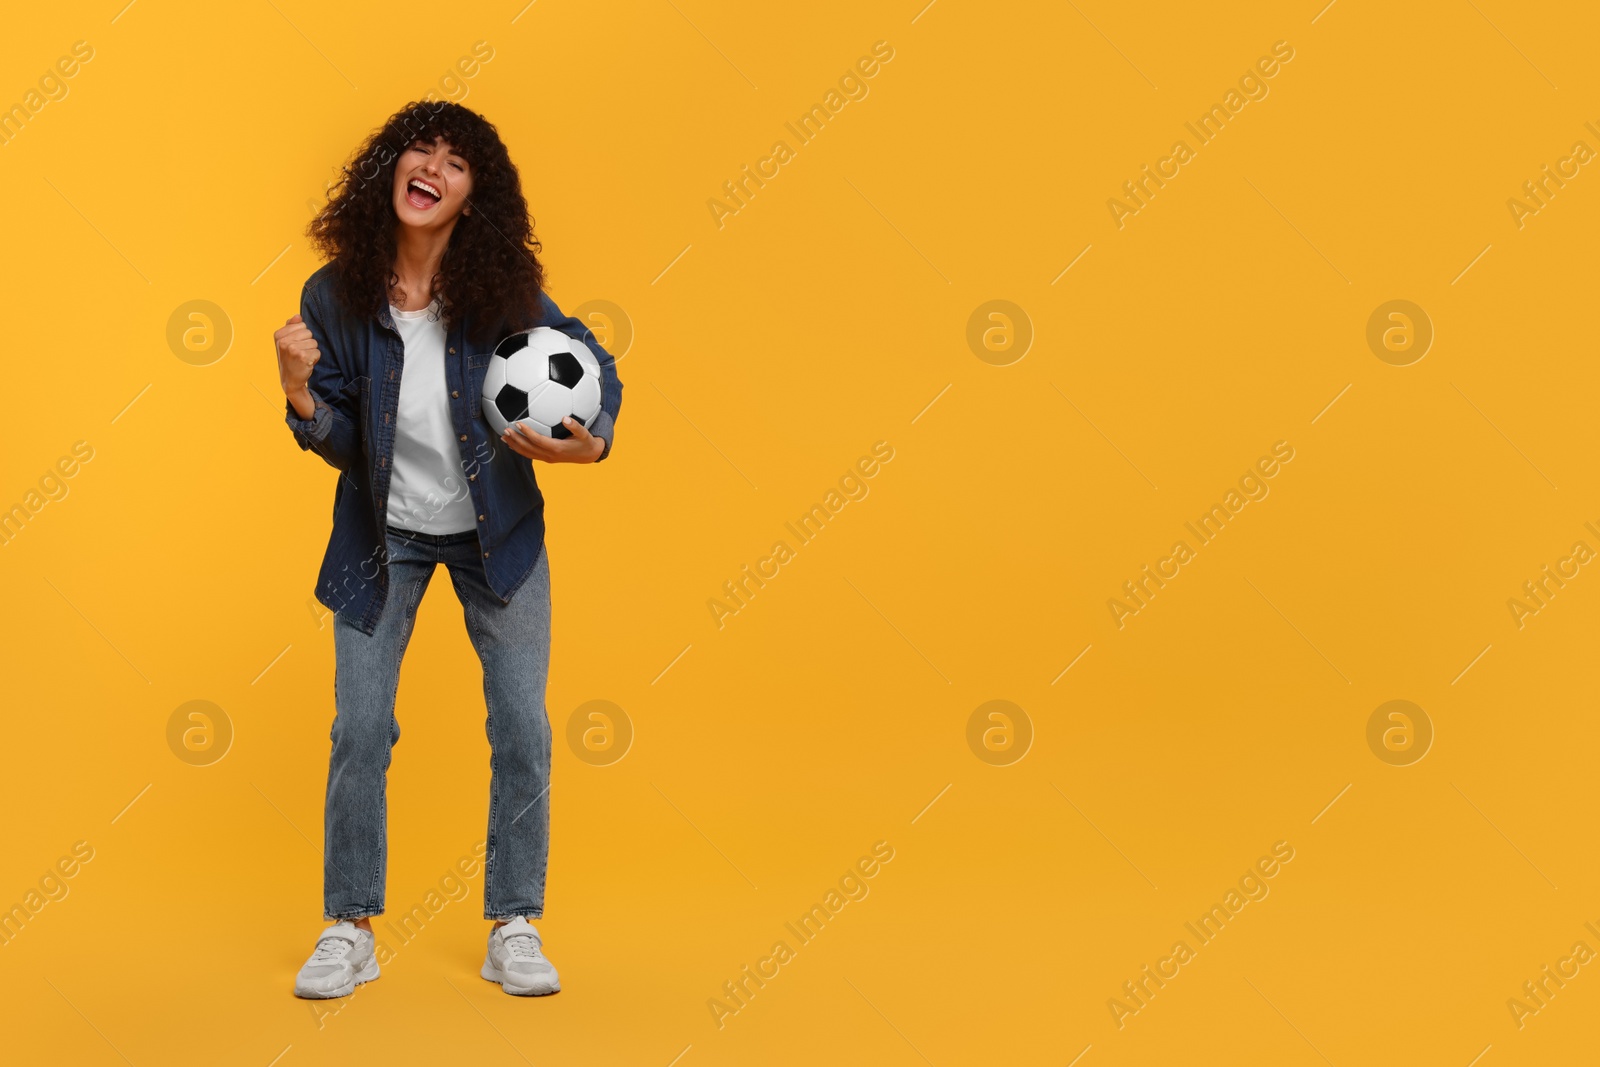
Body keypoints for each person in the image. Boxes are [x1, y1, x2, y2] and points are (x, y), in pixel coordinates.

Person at [273, 99, 621, 999]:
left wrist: (596, 437)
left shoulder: (504, 294)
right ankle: (348, 925)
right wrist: (303, 395)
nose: (432, 167)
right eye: (418, 150)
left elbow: (592, 363)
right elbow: (350, 442)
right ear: (390, 168)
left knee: (522, 726)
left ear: (474, 196)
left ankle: (516, 920)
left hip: (495, 535)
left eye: (455, 162)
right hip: (380, 537)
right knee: (360, 726)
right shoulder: (332, 296)